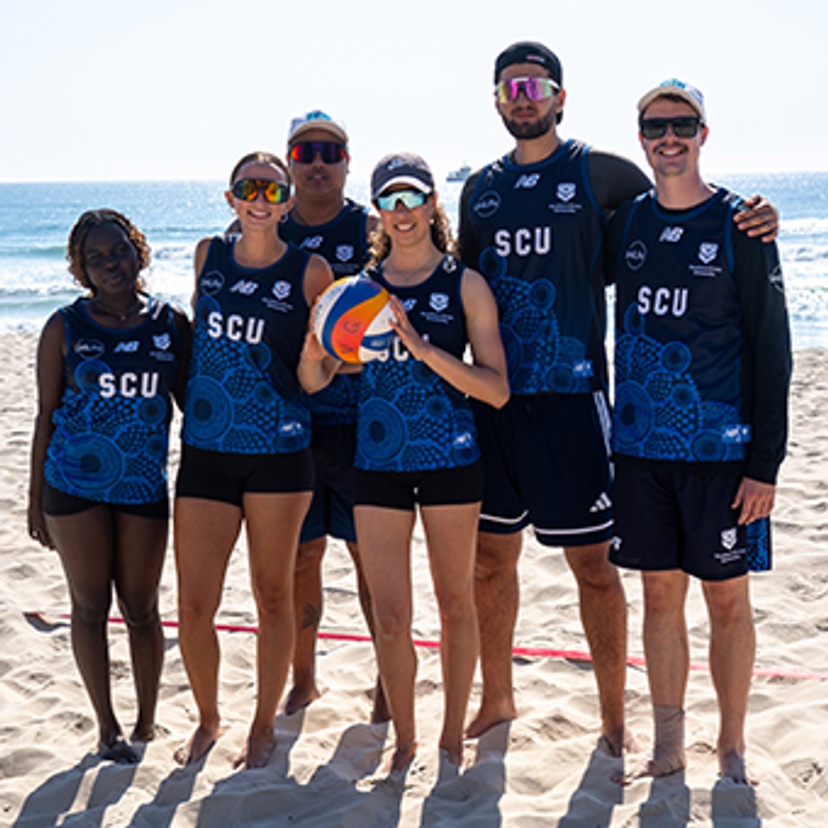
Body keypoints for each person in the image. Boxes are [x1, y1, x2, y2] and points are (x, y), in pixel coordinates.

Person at [457, 41, 779, 755]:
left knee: (596, 569)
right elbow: (461, 292)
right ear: (497, 98)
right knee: (489, 561)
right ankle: (498, 698)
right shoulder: (478, 189)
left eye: (537, 84)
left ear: (560, 97)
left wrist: (754, 221)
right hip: (498, 402)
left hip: (576, 402)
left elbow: (678, 214)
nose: (524, 95)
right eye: (511, 85)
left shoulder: (602, 174)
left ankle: (614, 721)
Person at [605, 79, 791, 783]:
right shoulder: (624, 225)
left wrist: (765, 464)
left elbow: (772, 349)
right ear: (642, 138)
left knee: (726, 597)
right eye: (656, 126)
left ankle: (734, 744)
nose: (669, 137)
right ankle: (668, 745)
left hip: (723, 452)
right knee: (659, 595)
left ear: (704, 133)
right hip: (641, 449)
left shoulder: (741, 225)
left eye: (682, 124)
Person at [299, 153, 509, 772]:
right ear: (378, 215)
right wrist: (315, 350)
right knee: (391, 616)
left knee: (454, 605)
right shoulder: (357, 295)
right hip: (379, 462)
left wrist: (422, 348)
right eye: (389, 202)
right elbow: (315, 382)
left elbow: (495, 388)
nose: (402, 212)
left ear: (432, 204)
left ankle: (449, 738)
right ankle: (407, 742)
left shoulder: (463, 284)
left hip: (451, 460)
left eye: (412, 198)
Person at [174, 152, 332, 769]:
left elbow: (321, 372)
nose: (261, 198)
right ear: (231, 197)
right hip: (206, 454)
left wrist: (322, 358)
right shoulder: (208, 255)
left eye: (273, 188)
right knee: (194, 605)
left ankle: (263, 725)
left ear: (288, 202)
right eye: (250, 187)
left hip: (279, 453)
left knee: (272, 596)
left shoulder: (308, 269)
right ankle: (210, 718)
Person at [28, 209, 190, 763]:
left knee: (142, 609)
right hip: (73, 487)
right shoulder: (63, 327)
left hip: (144, 486)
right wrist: (33, 500)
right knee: (89, 607)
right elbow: (46, 414)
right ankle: (107, 728)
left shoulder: (170, 324)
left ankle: (147, 721)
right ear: (80, 269)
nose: (109, 264)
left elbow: (196, 407)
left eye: (117, 250)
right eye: (94, 258)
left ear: (138, 250)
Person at [280, 110, 386, 721]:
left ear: (347, 163)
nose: (317, 162)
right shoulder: (267, 228)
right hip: (291, 425)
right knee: (302, 556)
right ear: (290, 162)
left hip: (362, 423)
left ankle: (384, 676)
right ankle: (303, 679)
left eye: (330, 151)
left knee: (369, 558)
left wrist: (345, 363)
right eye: (305, 152)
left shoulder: (371, 230)